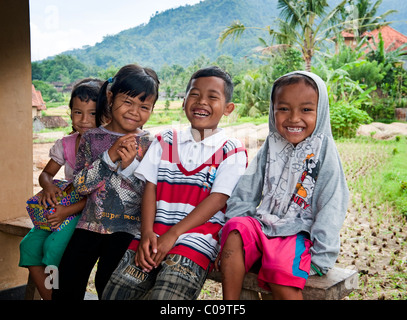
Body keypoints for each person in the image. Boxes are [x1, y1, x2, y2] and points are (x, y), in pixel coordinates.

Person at [102, 66, 248, 300]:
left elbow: (218, 198)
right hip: (153, 234)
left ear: (228, 108)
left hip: (197, 238)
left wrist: (173, 235)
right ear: (183, 101)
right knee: (116, 293)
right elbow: (151, 187)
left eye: (212, 96)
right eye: (194, 94)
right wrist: (147, 231)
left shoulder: (231, 151)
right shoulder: (165, 140)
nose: (202, 102)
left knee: (166, 298)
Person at [215, 71, 349, 300]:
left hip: (298, 233)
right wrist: (235, 227)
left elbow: (332, 203)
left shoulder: (323, 150)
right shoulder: (272, 143)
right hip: (265, 224)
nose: (294, 118)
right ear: (272, 110)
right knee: (236, 229)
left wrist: (322, 254)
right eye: (284, 109)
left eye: (306, 110)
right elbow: (247, 188)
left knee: (279, 268)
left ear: (321, 111)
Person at [52, 64, 160, 300]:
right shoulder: (92, 138)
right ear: (111, 97)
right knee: (65, 284)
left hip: (127, 230)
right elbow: (80, 186)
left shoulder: (152, 144)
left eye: (144, 106)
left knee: (109, 287)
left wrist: (130, 165)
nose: (134, 112)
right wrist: (109, 157)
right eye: (128, 102)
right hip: (89, 225)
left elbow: (149, 192)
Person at [19, 78, 103, 300]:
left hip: (87, 211)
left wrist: (67, 211)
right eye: (78, 112)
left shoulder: (105, 149)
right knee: (29, 245)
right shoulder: (66, 144)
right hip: (63, 206)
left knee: (53, 247)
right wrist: (47, 187)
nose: (84, 120)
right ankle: (52, 296)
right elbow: (46, 174)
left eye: (92, 113)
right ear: (70, 113)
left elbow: (99, 195)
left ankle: (61, 294)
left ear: (104, 114)